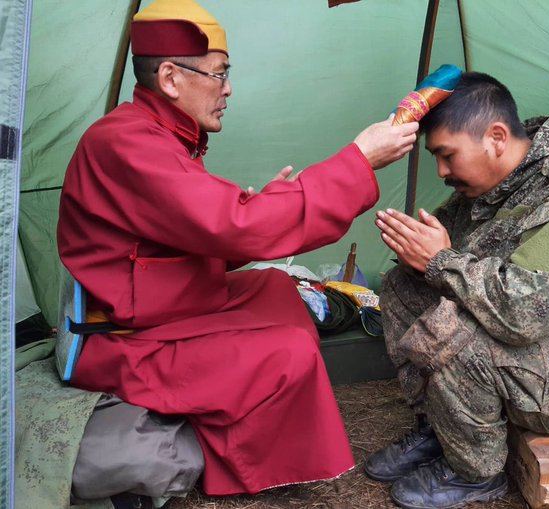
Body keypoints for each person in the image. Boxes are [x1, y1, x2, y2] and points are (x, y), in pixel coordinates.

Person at [57, 0, 418, 497]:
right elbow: (234, 226)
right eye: (219, 74)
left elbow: (197, 234)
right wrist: (358, 162)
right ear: (169, 77)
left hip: (159, 303)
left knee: (275, 288)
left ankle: (255, 429)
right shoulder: (126, 144)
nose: (228, 89)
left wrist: (261, 212)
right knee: (286, 351)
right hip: (119, 338)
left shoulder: (156, 134)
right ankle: (239, 459)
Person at [369, 72, 549, 509]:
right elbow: (447, 264)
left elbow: (525, 316)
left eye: (446, 155)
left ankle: (474, 473)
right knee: (405, 285)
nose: (441, 172)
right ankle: (440, 428)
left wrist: (441, 261)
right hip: (528, 343)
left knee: (453, 331)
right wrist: (419, 256)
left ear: (496, 137)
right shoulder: (495, 183)